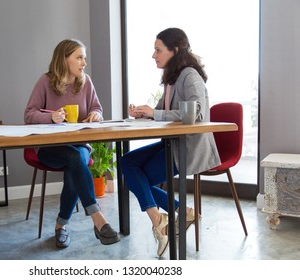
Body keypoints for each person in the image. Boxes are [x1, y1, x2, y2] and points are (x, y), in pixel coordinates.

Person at [120, 28, 221, 257]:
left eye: (158, 50)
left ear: (174, 51)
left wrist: (155, 114)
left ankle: (161, 222)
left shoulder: (189, 75)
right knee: (127, 163)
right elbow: (163, 111)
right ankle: (177, 213)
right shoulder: (171, 78)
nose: (153, 55)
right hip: (172, 144)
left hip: (187, 149)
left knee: (135, 177)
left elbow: (196, 112)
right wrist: (143, 113)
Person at [24, 39, 120, 248]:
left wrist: (95, 114)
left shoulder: (85, 82)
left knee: (76, 160)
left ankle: (61, 227)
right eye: (79, 57)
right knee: (75, 161)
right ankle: (97, 219)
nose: (84, 62)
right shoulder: (45, 82)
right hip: (50, 148)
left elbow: (97, 109)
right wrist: (51, 118)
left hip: (79, 145)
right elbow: (29, 114)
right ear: (64, 59)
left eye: (84, 57)